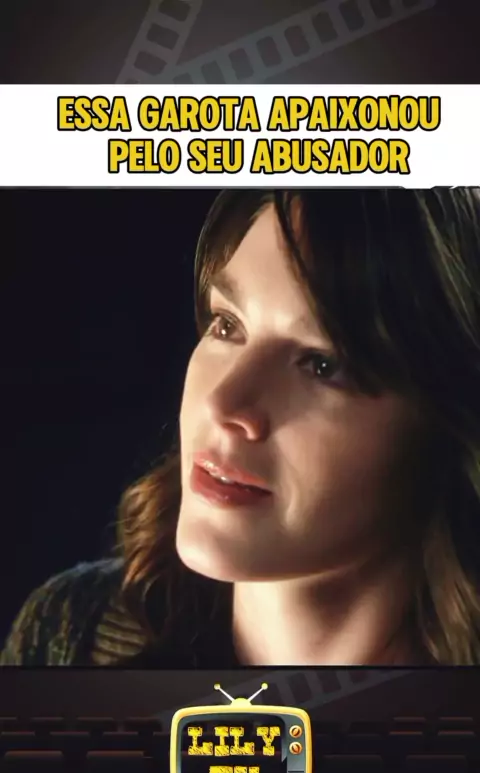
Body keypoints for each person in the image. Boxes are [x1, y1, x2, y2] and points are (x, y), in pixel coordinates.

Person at [2, 188, 480, 667]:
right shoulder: (69, 634)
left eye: (321, 364)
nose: (222, 403)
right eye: (227, 324)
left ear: (444, 424)